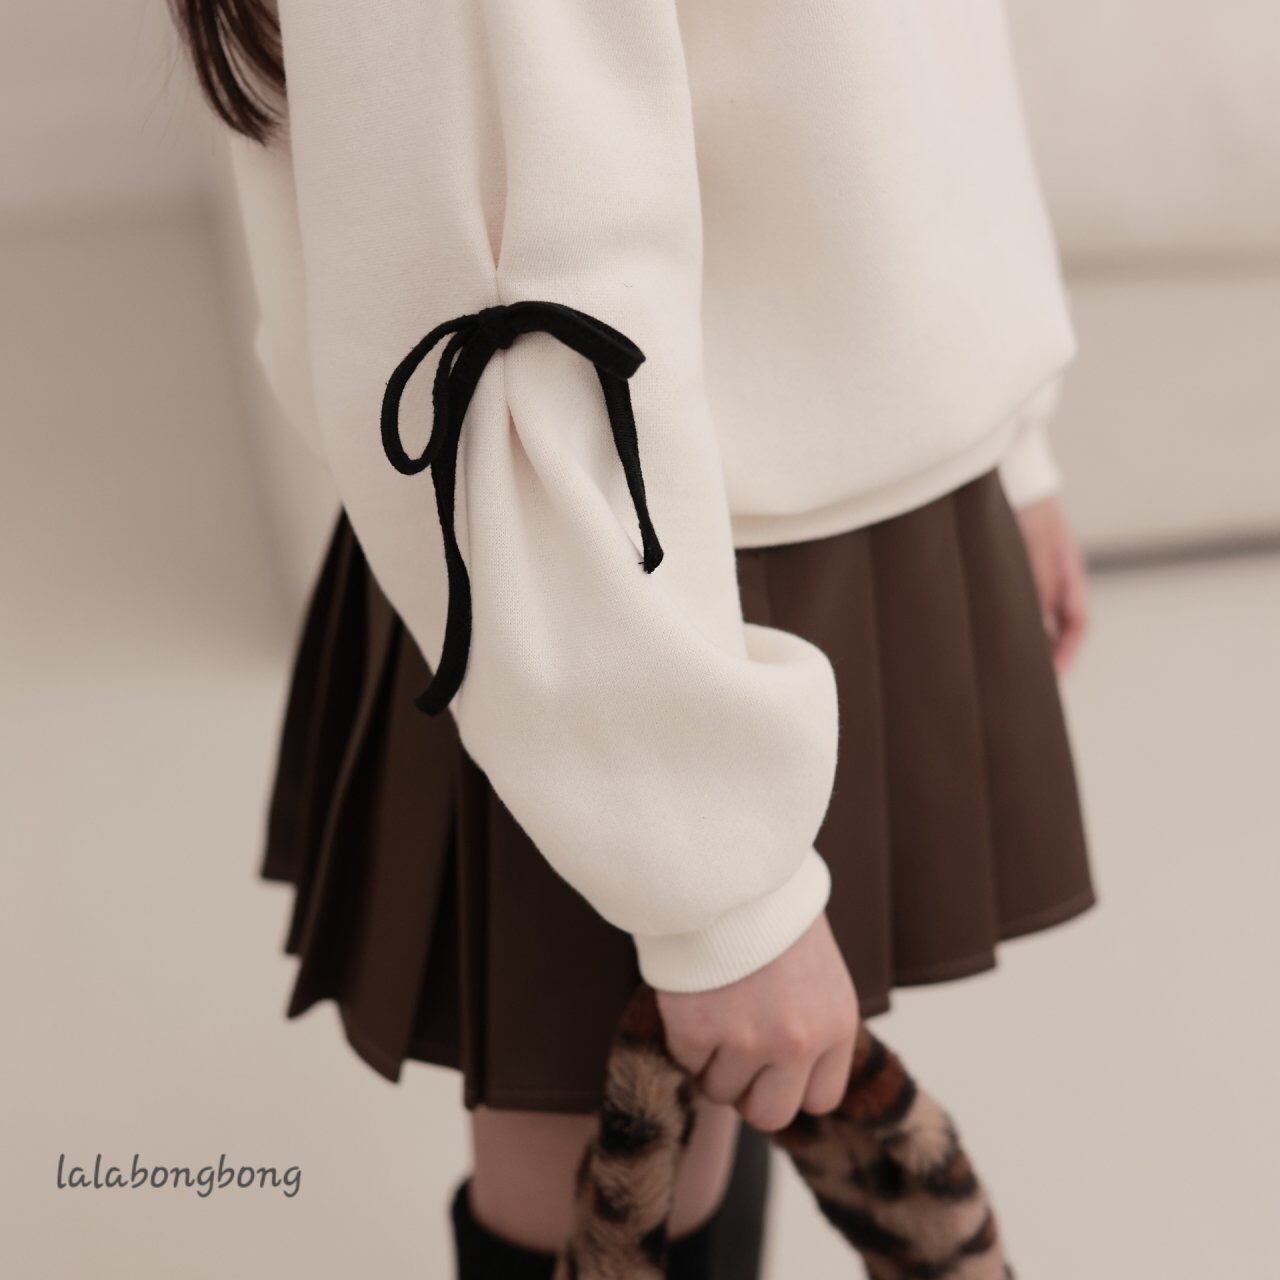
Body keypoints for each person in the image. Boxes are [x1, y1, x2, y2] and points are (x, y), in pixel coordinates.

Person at [172, 1, 1095, 1273]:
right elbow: (489, 302)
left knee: (722, 1113)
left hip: (779, 513)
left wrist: (1004, 433)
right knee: (616, 1194)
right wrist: (715, 879)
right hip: (629, 587)